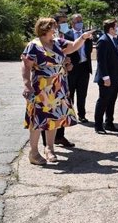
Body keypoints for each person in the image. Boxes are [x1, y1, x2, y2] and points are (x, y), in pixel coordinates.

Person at [21, 17, 93, 164]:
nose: (56, 30)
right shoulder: (33, 45)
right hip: (40, 88)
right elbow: (26, 66)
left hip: (57, 87)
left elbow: (73, 46)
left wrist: (83, 37)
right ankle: (33, 153)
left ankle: (50, 149)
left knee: (53, 120)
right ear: (44, 28)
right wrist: (27, 85)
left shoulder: (58, 42)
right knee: (37, 120)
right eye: (53, 27)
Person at [41, 13, 76, 148]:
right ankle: (47, 143)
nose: (65, 24)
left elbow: (66, 52)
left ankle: (59, 136)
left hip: (62, 78)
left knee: (62, 108)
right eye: (62, 22)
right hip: (48, 82)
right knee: (48, 110)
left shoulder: (63, 37)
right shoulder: (45, 40)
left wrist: (67, 63)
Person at [93, 19, 118, 134]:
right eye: (116, 26)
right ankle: (98, 126)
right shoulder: (103, 41)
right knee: (103, 101)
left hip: (115, 76)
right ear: (110, 29)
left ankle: (109, 123)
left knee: (111, 101)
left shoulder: (113, 39)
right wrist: (106, 77)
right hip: (107, 78)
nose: (117, 28)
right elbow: (101, 62)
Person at [65, 13, 93, 123]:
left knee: (82, 93)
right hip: (72, 68)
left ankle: (82, 115)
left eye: (81, 21)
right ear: (72, 23)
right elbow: (65, 51)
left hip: (84, 67)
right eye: (77, 21)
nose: (80, 23)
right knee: (70, 93)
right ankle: (69, 115)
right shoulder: (67, 34)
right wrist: (67, 64)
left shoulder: (87, 35)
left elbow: (89, 50)